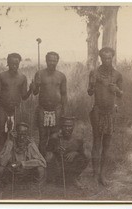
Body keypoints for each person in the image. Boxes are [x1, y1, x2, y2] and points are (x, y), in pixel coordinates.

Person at [87, 47, 123, 186]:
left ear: (112, 58)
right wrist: (91, 85)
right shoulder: (94, 73)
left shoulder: (117, 74)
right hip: (97, 110)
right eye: (104, 58)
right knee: (96, 142)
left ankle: (103, 174)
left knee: (106, 144)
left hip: (110, 112)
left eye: (109, 58)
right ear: (100, 58)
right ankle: (95, 175)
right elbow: (89, 92)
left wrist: (117, 90)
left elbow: (122, 94)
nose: (107, 60)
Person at [0, 53, 32, 154]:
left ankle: (13, 164)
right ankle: (0, 164)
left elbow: (24, 97)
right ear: (8, 63)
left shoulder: (22, 78)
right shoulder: (1, 76)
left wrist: (31, 89)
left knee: (16, 137)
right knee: (1, 138)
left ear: (19, 63)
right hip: (3, 109)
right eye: (12, 63)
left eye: (16, 63)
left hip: (16, 110)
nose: (14, 65)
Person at [32, 51, 67, 157]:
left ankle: (53, 165)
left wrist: (64, 111)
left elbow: (64, 94)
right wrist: (36, 85)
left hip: (57, 109)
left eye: (54, 60)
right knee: (42, 137)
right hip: (43, 109)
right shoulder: (39, 74)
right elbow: (35, 92)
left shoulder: (61, 76)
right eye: (50, 60)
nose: (52, 63)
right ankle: (41, 162)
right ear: (46, 61)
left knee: (55, 137)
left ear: (57, 61)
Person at [47, 117, 89, 188]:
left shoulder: (78, 139)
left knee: (86, 157)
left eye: (70, 126)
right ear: (61, 126)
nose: (67, 128)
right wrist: (56, 149)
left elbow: (81, 152)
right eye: (65, 126)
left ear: (73, 127)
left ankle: (73, 178)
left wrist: (75, 152)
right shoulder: (54, 138)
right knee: (50, 158)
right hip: (58, 163)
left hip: (70, 163)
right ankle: (60, 178)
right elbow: (48, 152)